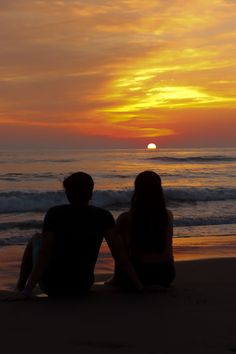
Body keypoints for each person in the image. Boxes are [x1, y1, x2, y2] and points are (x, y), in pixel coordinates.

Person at [11, 172, 116, 299]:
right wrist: (137, 284)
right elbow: (118, 252)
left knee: (36, 238)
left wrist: (28, 291)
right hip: (82, 286)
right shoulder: (103, 216)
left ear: (68, 194)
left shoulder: (55, 213)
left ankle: (21, 287)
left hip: (53, 286)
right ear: (91, 192)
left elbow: (45, 253)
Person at [107, 170, 175, 290]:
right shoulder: (168, 215)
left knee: (119, 243)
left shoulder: (126, 218)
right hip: (166, 274)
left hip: (139, 273)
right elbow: (168, 244)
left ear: (137, 190)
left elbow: (118, 250)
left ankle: (116, 278)